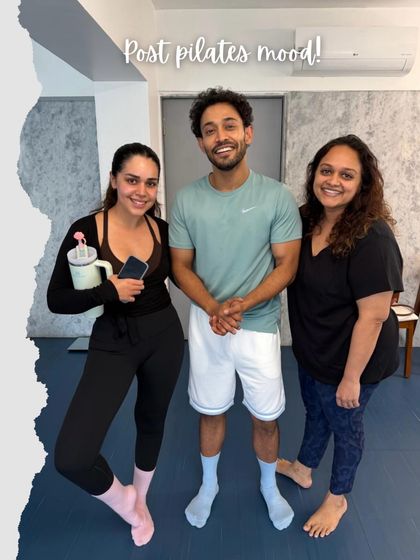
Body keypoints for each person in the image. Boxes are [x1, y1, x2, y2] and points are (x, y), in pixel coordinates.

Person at [169, 87, 302, 531]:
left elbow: (287, 266)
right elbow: (180, 266)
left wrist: (243, 303)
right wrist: (214, 307)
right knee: (210, 410)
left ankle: (269, 486)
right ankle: (209, 485)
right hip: (207, 323)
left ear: (248, 133)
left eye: (229, 126)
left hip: (258, 324)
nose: (220, 136)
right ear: (200, 143)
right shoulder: (186, 199)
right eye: (209, 130)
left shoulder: (277, 197)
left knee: (266, 416)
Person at [47, 142, 184, 547]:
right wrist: (108, 291)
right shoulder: (86, 231)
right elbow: (57, 300)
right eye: (132, 180)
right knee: (72, 456)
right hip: (113, 341)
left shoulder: (162, 230)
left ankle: (141, 499)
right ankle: (126, 501)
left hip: (164, 337)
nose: (142, 191)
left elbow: (187, 277)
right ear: (113, 180)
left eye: (151, 183)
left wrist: (225, 302)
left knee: (151, 420)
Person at [276, 134, 403, 538]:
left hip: (355, 359)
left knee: (346, 427)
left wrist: (351, 378)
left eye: (347, 175)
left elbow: (374, 316)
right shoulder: (304, 219)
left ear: (363, 183)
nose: (333, 181)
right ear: (314, 174)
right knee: (316, 412)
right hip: (314, 348)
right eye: (326, 170)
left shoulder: (373, 237)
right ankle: (303, 468)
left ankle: (338, 498)